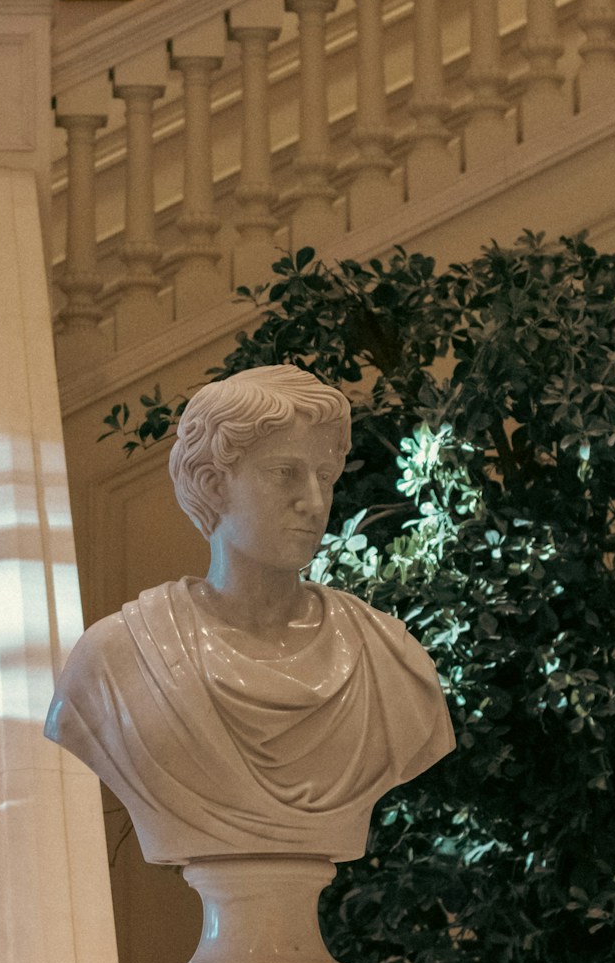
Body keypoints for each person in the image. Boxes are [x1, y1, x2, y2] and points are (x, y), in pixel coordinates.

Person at [46, 365, 453, 868]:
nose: (315, 501)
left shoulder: (389, 660)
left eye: (325, 477)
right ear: (213, 485)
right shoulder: (114, 662)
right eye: (285, 473)